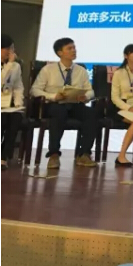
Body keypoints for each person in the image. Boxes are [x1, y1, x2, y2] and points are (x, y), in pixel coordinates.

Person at [30, 37, 98, 169]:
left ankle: (84, 154)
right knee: (58, 112)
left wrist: (86, 96)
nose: (74, 50)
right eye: (69, 48)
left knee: (91, 113)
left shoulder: (81, 70)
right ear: (60, 53)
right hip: (54, 104)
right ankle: (54, 154)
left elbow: (91, 91)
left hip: (74, 104)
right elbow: (35, 90)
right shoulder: (48, 70)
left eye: (74, 48)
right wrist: (53, 96)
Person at [1, 34, 24, 170]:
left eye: (12, 49)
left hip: (8, 104)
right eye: (8, 49)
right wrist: (9, 64)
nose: (11, 52)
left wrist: (18, 103)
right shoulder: (11, 65)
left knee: (16, 118)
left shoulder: (16, 66)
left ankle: (3, 157)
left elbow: (18, 86)